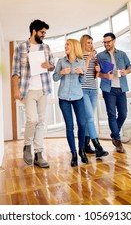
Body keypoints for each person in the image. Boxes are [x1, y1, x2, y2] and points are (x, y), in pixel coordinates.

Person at [11, 19, 54, 168]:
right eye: (42, 32)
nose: (43, 35)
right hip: (28, 90)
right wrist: (16, 89)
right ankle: (27, 145)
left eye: (45, 33)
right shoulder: (20, 48)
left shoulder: (46, 48)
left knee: (41, 121)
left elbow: (52, 66)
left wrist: (49, 66)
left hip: (43, 89)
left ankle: (39, 153)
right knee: (32, 120)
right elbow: (15, 71)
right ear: (34, 31)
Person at [53, 39, 88, 167]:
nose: (65, 46)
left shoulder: (81, 62)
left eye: (68, 44)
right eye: (65, 44)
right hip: (64, 98)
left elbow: (83, 80)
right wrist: (61, 72)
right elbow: (54, 77)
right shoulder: (61, 61)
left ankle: (81, 150)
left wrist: (82, 73)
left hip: (78, 96)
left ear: (74, 46)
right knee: (69, 126)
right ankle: (73, 154)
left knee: (82, 124)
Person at [96, 32, 131, 153]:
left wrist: (126, 72)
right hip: (108, 88)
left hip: (121, 88)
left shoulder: (122, 54)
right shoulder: (100, 56)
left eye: (108, 42)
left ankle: (114, 133)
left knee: (123, 114)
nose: (106, 44)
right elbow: (97, 74)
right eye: (104, 42)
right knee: (111, 114)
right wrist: (104, 75)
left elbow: (130, 67)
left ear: (114, 41)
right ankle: (117, 141)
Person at [79, 34, 109, 158]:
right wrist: (89, 57)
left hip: (93, 90)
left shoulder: (95, 57)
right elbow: (82, 72)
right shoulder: (79, 56)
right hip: (83, 90)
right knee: (90, 117)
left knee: (88, 119)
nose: (91, 45)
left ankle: (86, 145)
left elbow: (95, 75)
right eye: (88, 43)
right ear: (83, 44)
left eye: (92, 43)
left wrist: (97, 70)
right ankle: (98, 147)